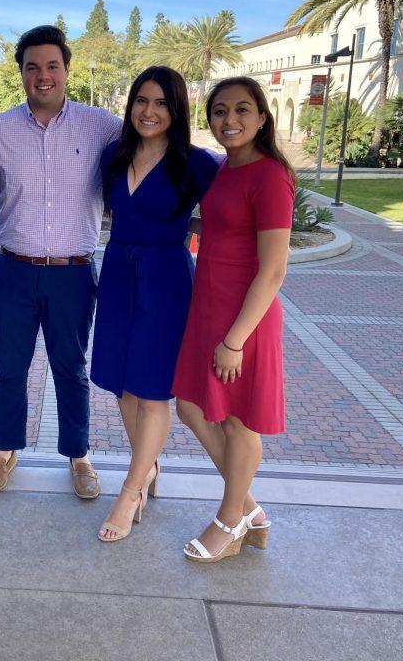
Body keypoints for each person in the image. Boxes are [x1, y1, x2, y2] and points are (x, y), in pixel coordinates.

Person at [0, 25, 121, 498]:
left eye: (52, 66)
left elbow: (161, 147)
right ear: (20, 73)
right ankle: (4, 451)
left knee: (71, 367)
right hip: (13, 270)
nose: (43, 76)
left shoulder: (102, 126)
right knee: (9, 367)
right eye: (32, 67)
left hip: (73, 273)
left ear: (67, 69)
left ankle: (79, 456)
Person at [90, 67, 220, 542]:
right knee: (123, 386)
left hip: (165, 282)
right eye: (142, 101)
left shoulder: (198, 163)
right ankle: (146, 468)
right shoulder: (113, 156)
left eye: (161, 103)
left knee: (151, 391)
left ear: (176, 110)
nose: (149, 111)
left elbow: (230, 213)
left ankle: (130, 490)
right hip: (119, 275)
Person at [171, 76, 295, 564]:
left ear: (262, 118)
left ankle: (229, 519)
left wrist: (236, 340)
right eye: (220, 111)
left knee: (241, 422)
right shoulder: (225, 169)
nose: (231, 120)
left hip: (246, 319)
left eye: (243, 110)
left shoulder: (270, 175)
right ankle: (250, 510)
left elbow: (274, 269)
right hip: (209, 310)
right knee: (190, 406)